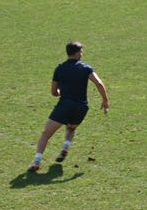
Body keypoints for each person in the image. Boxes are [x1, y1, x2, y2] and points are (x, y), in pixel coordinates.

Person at [27, 41, 109, 172]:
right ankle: (65, 147)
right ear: (76, 53)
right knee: (71, 128)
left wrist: (61, 91)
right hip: (81, 107)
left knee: (46, 134)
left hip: (64, 106)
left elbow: (54, 92)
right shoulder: (86, 68)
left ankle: (37, 161)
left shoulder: (59, 69)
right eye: (81, 52)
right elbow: (99, 83)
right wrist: (105, 100)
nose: (82, 54)